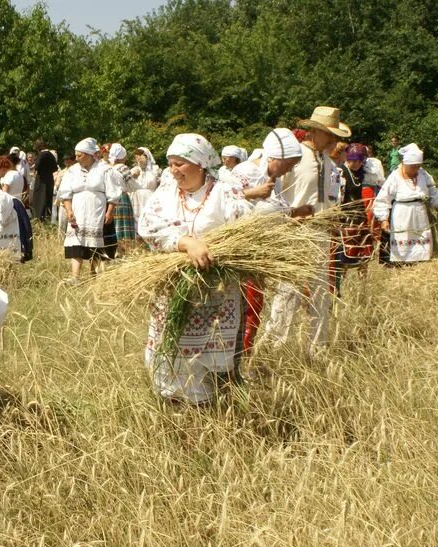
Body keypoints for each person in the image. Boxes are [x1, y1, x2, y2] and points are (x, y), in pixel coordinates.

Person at [138, 134, 254, 403]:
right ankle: (174, 410)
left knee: (210, 365)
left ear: (200, 164)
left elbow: (244, 230)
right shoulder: (165, 193)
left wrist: (212, 249)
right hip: (173, 290)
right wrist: (184, 242)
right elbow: (148, 226)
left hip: (217, 294)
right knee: (171, 353)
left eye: (180, 163)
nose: (173, 170)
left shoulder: (224, 192)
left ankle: (210, 414)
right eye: (170, 163)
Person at [265, 105, 350, 351]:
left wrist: (332, 218)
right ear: (315, 131)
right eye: (330, 134)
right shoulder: (296, 157)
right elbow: (277, 195)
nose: (334, 139)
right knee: (288, 292)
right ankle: (273, 348)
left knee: (320, 293)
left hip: (321, 234)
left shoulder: (328, 162)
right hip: (296, 232)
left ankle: (318, 349)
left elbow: (329, 197)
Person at [232, 128, 304, 353]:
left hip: (262, 252)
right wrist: (253, 193)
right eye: (288, 164)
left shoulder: (274, 180)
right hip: (241, 252)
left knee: (256, 305)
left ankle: (247, 355)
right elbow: (222, 201)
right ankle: (236, 358)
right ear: (273, 158)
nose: (290, 169)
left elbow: (274, 211)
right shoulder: (245, 171)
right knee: (245, 306)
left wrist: (296, 213)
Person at [57, 138, 121, 283]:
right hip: (78, 210)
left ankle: (93, 275)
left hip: (97, 211)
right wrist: (69, 210)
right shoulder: (72, 171)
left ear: (90, 154)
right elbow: (65, 193)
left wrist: (110, 211)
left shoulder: (104, 169)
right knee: (76, 242)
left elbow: (113, 193)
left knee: (96, 243)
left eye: (80, 155)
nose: (77, 158)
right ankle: (75, 277)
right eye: (76, 155)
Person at [373, 143, 438, 265]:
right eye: (412, 166)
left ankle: (421, 263)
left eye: (417, 166)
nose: (415, 169)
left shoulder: (423, 174)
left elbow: (433, 191)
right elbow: (383, 199)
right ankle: (401, 265)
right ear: (405, 164)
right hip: (402, 215)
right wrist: (384, 219)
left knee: (422, 247)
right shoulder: (395, 176)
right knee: (403, 244)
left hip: (420, 215)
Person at [334, 143, 375, 280]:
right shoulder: (340, 172)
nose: (356, 164)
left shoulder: (362, 173)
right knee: (344, 255)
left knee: (364, 254)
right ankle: (342, 283)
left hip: (360, 217)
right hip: (345, 219)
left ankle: (363, 284)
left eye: (359, 161)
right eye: (353, 160)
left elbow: (378, 180)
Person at [107, 143, 138, 256]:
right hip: (122, 199)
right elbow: (133, 186)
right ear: (123, 157)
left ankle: (115, 252)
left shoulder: (108, 168)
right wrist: (134, 176)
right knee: (124, 228)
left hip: (110, 200)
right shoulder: (123, 168)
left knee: (114, 226)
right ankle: (124, 252)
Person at [129, 148, 161, 223]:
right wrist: (132, 177)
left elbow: (160, 185)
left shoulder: (155, 169)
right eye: (137, 156)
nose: (139, 158)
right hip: (136, 200)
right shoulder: (133, 170)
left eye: (141, 156)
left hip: (151, 198)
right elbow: (127, 186)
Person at [32, 139, 59, 223]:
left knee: (39, 200)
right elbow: (55, 168)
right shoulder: (51, 155)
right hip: (49, 180)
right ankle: (47, 218)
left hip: (41, 180)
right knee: (47, 199)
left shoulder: (41, 155)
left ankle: (39, 219)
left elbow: (36, 166)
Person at [53, 153, 76, 231]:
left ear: (73, 161)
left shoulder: (78, 171)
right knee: (62, 223)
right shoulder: (62, 172)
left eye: (69, 161)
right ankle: (61, 241)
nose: (67, 163)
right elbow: (57, 184)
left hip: (75, 200)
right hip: (64, 201)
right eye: (65, 162)